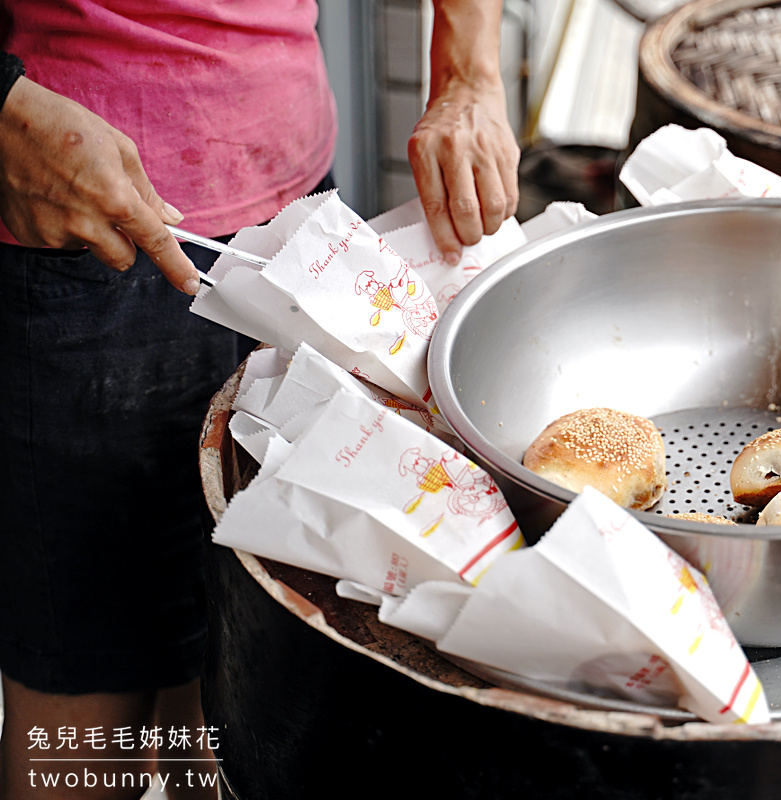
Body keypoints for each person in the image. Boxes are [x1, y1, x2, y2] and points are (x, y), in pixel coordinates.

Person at [0, 2, 520, 798]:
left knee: (229, 664)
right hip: (76, 225)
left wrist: (469, 74)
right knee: (90, 715)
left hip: (294, 219)